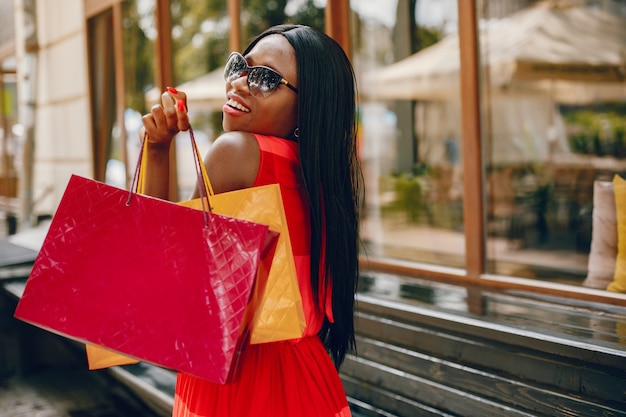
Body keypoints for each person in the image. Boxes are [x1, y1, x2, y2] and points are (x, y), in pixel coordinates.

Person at [140, 25, 363, 417]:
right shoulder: (320, 178)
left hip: (240, 384)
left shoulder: (237, 151)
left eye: (265, 79)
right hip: (310, 378)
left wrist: (157, 150)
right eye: (241, 66)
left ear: (307, 106)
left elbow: (164, 283)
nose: (241, 83)